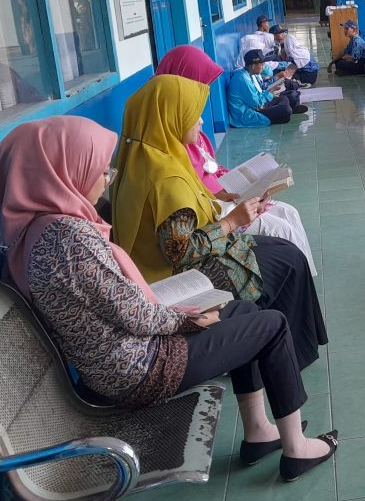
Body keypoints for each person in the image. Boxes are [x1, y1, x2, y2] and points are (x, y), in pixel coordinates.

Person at [0, 116, 336, 481]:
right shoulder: (69, 239)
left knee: (241, 310)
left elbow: (114, 305)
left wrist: (185, 314)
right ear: (65, 171)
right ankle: (296, 448)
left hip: (117, 359)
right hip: (137, 369)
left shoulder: (39, 231)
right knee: (272, 324)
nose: (106, 178)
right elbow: (137, 317)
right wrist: (189, 318)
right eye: (98, 170)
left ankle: (259, 431)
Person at [110, 74, 328, 372]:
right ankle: (287, 357)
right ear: (171, 116)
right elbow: (181, 252)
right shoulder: (167, 177)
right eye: (193, 114)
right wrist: (231, 222)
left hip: (165, 266)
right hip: (182, 276)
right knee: (289, 261)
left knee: (284, 249)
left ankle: (285, 348)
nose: (201, 121)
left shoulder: (143, 156)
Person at [155, 46, 316, 276]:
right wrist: (235, 202)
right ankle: (299, 280)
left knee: (289, 212)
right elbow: (196, 204)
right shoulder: (171, 142)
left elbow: (211, 168)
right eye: (198, 86)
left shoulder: (193, 132)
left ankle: (305, 280)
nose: (202, 96)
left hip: (227, 197)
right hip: (218, 213)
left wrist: (247, 186)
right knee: (281, 230)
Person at [229, 50, 308, 127]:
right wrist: (271, 92)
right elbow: (257, 104)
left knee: (285, 98)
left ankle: (284, 110)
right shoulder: (243, 80)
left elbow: (261, 89)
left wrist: (273, 87)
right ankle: (287, 110)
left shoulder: (252, 74)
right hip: (249, 114)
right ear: (253, 66)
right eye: (262, 64)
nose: (263, 67)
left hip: (258, 104)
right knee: (286, 110)